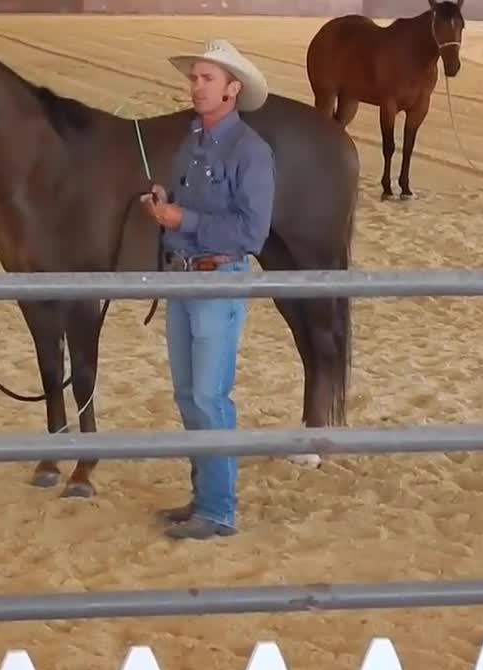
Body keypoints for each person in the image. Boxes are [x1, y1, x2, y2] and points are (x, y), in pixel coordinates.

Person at [139, 39, 275, 541]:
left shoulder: (251, 152)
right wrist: (165, 205)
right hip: (185, 274)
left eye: (205, 79)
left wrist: (182, 217)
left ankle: (218, 510)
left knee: (209, 395)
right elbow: (186, 208)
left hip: (219, 277)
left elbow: (251, 233)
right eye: (194, 78)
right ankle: (204, 499)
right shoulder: (192, 141)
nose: (195, 86)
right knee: (186, 393)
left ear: (232, 89)